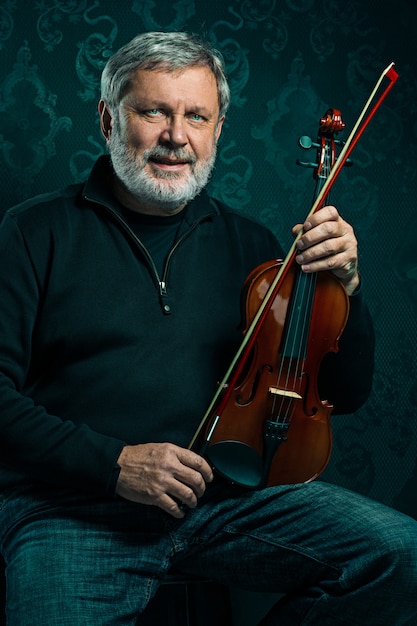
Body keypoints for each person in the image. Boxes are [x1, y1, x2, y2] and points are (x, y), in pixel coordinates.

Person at [0, 30, 416, 626]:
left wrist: (346, 286)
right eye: (153, 112)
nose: (176, 136)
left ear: (218, 130)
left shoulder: (252, 246)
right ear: (107, 118)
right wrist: (113, 464)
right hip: (72, 510)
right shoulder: (33, 232)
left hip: (220, 505)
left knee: (401, 555)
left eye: (197, 116)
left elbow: (344, 393)